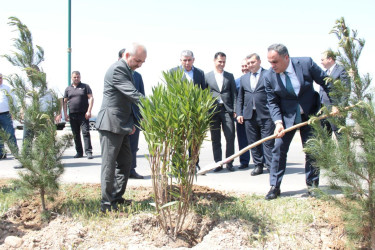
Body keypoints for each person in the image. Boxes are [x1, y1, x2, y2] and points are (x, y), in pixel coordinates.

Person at [264, 44, 330, 200]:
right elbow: (272, 102)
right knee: (278, 149)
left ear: (286, 57)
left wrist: (333, 105)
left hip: (310, 115)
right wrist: (278, 122)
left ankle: (313, 186)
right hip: (287, 118)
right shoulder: (268, 76)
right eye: (270, 62)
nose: (272, 66)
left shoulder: (306, 64)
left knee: (312, 150)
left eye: (275, 62)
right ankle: (275, 186)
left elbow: (326, 82)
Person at [96, 43, 146, 212]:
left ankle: (116, 197)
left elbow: (126, 101)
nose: (139, 64)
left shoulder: (128, 70)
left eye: (142, 62)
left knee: (125, 162)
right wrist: (156, 106)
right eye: (137, 60)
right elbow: (132, 94)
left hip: (122, 124)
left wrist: (131, 122)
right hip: (110, 123)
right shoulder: (118, 69)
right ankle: (106, 204)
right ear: (126, 55)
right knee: (109, 165)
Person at [236, 53, 274, 176]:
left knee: (267, 142)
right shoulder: (244, 78)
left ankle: (269, 165)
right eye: (248, 63)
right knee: (253, 141)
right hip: (249, 115)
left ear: (259, 62)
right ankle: (258, 165)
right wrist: (239, 113)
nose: (250, 65)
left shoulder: (269, 74)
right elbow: (240, 97)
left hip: (265, 114)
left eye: (252, 62)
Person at [170, 50, 206, 170]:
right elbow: (170, 92)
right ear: (180, 60)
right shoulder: (173, 72)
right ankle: (177, 165)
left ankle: (194, 164)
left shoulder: (200, 73)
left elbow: (203, 91)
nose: (187, 62)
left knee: (194, 138)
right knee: (178, 138)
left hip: (194, 111)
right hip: (179, 111)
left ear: (193, 60)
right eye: (184, 60)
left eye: (189, 60)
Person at [205, 52, 237, 172]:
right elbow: (204, 94)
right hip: (213, 111)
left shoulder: (229, 76)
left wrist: (235, 110)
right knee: (215, 138)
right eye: (219, 61)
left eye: (223, 61)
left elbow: (234, 93)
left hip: (227, 110)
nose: (221, 64)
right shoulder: (207, 76)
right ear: (214, 61)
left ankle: (229, 162)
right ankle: (218, 163)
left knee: (230, 136)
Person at [118, 48, 145, 179]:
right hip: (121, 117)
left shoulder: (137, 76)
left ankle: (131, 170)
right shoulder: (117, 73)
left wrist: (143, 115)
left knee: (133, 146)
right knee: (120, 147)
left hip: (135, 116)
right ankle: (120, 172)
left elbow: (141, 95)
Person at [63, 71, 94, 159]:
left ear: (80, 77)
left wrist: (89, 111)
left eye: (78, 77)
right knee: (76, 134)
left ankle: (88, 152)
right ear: (71, 78)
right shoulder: (68, 89)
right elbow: (64, 102)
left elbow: (91, 98)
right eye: (74, 77)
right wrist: (65, 114)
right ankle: (79, 152)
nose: (76, 79)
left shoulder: (85, 87)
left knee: (86, 132)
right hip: (72, 115)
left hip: (83, 114)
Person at [320, 49, 350, 136]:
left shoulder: (341, 71)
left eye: (322, 60)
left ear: (329, 59)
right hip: (324, 110)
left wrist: (340, 108)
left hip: (336, 110)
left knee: (340, 136)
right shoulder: (325, 73)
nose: (321, 62)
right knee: (326, 137)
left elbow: (346, 90)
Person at [234, 58, 251, 170]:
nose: (244, 68)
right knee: (242, 139)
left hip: (255, 114)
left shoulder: (259, 78)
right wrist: (236, 112)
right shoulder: (237, 81)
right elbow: (235, 99)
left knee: (258, 138)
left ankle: (263, 161)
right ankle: (244, 161)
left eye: (246, 65)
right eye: (243, 66)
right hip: (241, 115)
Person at [0, 73, 18, 159]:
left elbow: (13, 101)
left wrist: (14, 112)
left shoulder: (6, 88)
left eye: (0, 78)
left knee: (10, 134)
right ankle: (1, 153)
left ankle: (15, 153)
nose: (0, 79)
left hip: (5, 114)